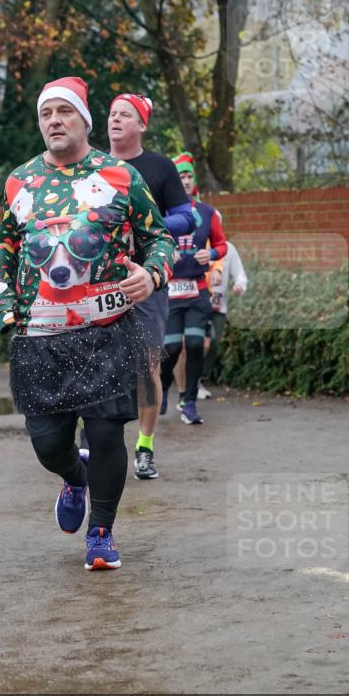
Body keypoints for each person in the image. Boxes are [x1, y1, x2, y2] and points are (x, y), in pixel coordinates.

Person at [0, 76, 174, 571]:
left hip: (106, 328)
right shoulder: (20, 181)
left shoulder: (120, 176)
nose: (54, 122)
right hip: (39, 335)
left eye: (64, 112)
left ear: (83, 121)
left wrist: (150, 276)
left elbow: (160, 239)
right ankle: (72, 477)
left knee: (107, 435)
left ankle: (102, 533)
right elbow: (3, 246)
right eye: (47, 114)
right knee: (48, 443)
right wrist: (3, 306)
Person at [108, 93, 194, 480]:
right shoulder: (92, 165)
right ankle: (92, 441)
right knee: (92, 362)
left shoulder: (158, 167)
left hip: (146, 281)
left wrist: (149, 225)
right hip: (96, 282)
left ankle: (144, 447)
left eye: (125, 115)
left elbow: (186, 217)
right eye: (111, 114)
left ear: (141, 124)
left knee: (146, 365)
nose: (115, 120)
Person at [160, 193, 227, 425]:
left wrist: (210, 254)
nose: (185, 181)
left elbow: (221, 244)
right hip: (171, 292)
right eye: (181, 176)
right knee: (171, 347)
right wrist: (166, 253)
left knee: (197, 343)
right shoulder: (162, 210)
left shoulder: (207, 212)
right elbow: (145, 241)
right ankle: (164, 385)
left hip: (198, 290)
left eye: (189, 175)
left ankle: (189, 402)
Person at [201, 240, 248, 385]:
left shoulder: (228, 249)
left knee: (214, 343)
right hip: (197, 304)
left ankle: (200, 378)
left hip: (218, 306)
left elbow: (240, 274)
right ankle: (191, 381)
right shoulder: (195, 243)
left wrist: (239, 285)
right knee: (199, 342)